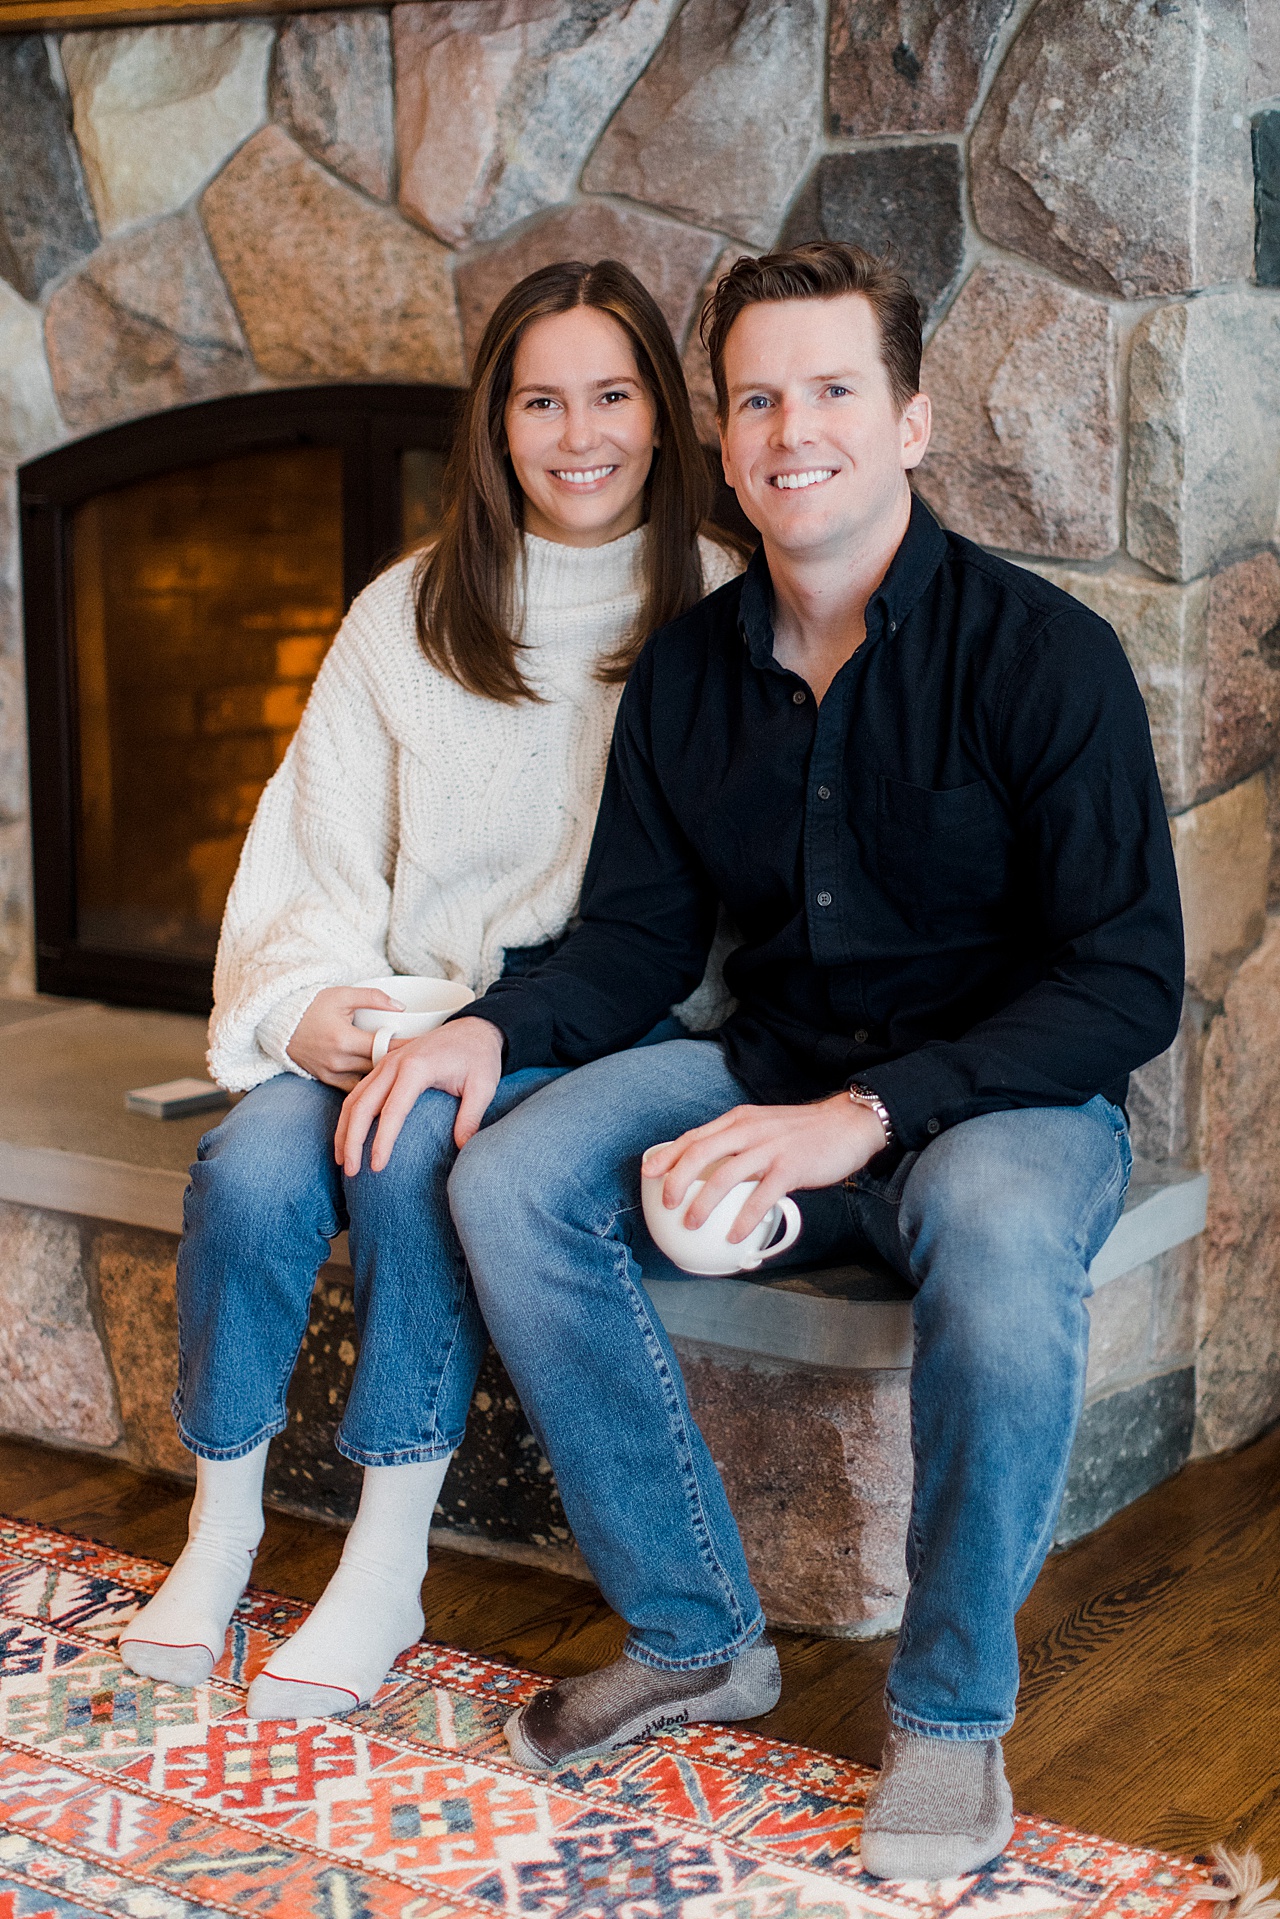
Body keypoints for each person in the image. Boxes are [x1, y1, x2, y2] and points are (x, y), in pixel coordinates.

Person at [334, 240, 1184, 1879]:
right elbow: (639, 954)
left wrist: (863, 1120)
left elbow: (1125, 981)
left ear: (913, 419)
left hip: (1002, 1096)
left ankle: (949, 1714)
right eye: (758, 399)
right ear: (721, 441)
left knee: (1004, 1250)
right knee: (504, 1175)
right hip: (770, 1063)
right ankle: (698, 1632)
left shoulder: (1043, 660)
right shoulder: (690, 674)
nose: (795, 429)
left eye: (835, 391)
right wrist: (478, 1032)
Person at [116, 258, 743, 1721]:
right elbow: (315, 848)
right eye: (540, 399)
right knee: (256, 1165)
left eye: (611, 393)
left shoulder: (715, 601)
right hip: (400, 996)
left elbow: (697, 924)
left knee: (408, 1149)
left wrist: (469, 1034)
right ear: (494, 421)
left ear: (660, 414)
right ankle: (222, 1529)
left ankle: (386, 1560)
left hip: (597, 1016)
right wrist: (312, 1006)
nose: (577, 431)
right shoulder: (408, 610)